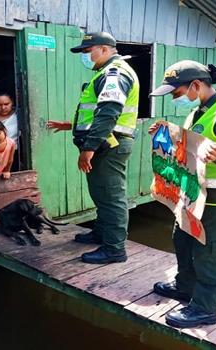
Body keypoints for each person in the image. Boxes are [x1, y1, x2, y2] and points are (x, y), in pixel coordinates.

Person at [148, 60, 216, 328]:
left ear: (196, 86)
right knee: (184, 239)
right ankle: (185, 286)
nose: (175, 98)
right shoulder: (199, 111)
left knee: (212, 250)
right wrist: (166, 135)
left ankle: (206, 308)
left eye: (176, 93)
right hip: (194, 192)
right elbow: (192, 147)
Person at [47, 32, 140, 264]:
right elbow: (97, 113)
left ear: (105, 49)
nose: (85, 56)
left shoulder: (114, 73)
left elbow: (109, 112)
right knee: (101, 193)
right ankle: (101, 233)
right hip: (105, 142)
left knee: (111, 196)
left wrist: (88, 148)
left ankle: (114, 249)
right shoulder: (104, 73)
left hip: (109, 145)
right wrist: (72, 125)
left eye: (88, 51)